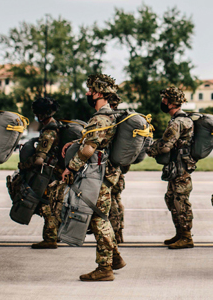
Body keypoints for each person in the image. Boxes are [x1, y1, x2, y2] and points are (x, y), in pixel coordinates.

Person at [62, 74, 125, 281]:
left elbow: (89, 149)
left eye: (90, 90)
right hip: (105, 175)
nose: (88, 94)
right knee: (100, 216)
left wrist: (70, 169)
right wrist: (73, 145)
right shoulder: (110, 116)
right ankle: (114, 258)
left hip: (98, 177)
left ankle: (104, 268)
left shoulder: (100, 118)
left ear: (99, 93)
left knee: (99, 219)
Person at [146, 87, 196, 250]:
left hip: (180, 167)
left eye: (164, 99)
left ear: (170, 102)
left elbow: (166, 146)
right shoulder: (183, 119)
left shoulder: (177, 122)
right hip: (178, 165)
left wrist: (151, 149)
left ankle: (186, 237)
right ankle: (180, 233)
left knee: (180, 201)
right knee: (171, 198)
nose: (162, 102)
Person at [24, 97, 63, 249]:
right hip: (57, 172)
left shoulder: (49, 132)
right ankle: (55, 235)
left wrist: (24, 164)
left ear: (40, 115)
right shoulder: (57, 126)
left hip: (50, 174)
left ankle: (50, 238)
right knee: (54, 205)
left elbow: (39, 159)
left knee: (47, 206)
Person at [107, 92, 126, 243]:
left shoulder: (109, 120)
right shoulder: (120, 120)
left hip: (109, 169)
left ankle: (114, 233)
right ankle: (119, 232)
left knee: (111, 202)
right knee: (117, 199)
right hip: (118, 169)